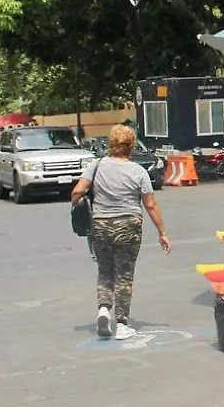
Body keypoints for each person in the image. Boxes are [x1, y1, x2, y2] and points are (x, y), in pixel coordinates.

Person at [71, 125, 171, 341]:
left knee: (105, 271)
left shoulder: (96, 166)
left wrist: (77, 207)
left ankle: (104, 310)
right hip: (129, 226)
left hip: (101, 225)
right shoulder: (138, 171)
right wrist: (162, 232)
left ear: (111, 144)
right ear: (131, 146)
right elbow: (151, 205)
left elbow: (78, 191)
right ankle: (123, 324)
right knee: (124, 275)